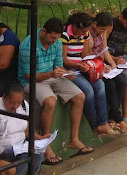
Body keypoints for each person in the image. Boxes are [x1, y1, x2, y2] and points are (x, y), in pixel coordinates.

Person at [17, 17, 92, 165]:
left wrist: (66, 72)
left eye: (57, 38)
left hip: (52, 76)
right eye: (52, 37)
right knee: (50, 101)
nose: (54, 40)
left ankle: (74, 140)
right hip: (32, 80)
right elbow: (28, 76)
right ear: (44, 31)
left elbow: (58, 66)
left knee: (80, 96)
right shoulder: (28, 46)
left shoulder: (57, 42)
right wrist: (52, 74)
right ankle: (46, 144)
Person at [83, 11, 127, 135]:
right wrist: (100, 62)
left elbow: (104, 50)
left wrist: (111, 63)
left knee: (122, 81)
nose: (103, 32)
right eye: (102, 29)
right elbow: (85, 54)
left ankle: (114, 115)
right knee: (110, 85)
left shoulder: (102, 34)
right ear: (95, 24)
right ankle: (117, 118)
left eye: (106, 30)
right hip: (92, 65)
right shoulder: (87, 34)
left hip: (101, 64)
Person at [0, 83, 45, 174]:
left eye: (18, 102)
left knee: (38, 152)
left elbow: (27, 129)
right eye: (12, 102)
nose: (15, 106)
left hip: (20, 145)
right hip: (1, 148)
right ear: (4, 97)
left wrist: (41, 139)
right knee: (26, 155)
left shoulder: (24, 106)